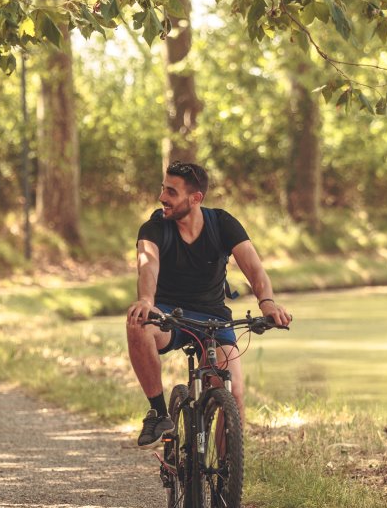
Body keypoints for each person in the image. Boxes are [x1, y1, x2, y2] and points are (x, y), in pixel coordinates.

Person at [125, 160, 292, 447]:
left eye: (171, 192)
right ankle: (158, 412)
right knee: (138, 325)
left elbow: (254, 269)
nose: (162, 197)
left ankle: (226, 483)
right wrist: (146, 301)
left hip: (213, 318)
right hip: (167, 315)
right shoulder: (154, 227)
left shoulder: (222, 223)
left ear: (196, 198)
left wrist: (267, 302)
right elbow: (148, 266)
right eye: (163, 189)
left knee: (234, 393)